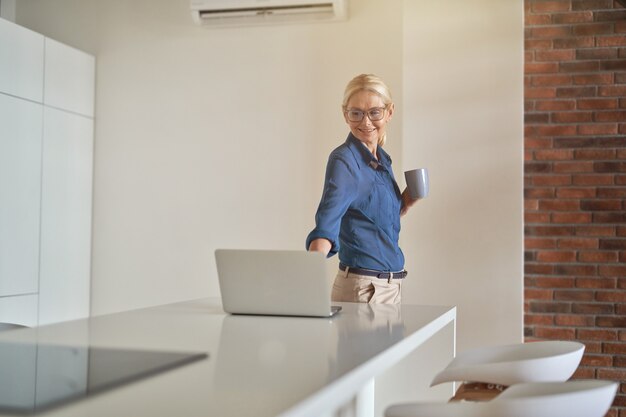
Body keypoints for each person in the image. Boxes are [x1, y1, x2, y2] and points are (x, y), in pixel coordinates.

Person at [306, 73, 419, 304]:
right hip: (365, 290)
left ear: (389, 112)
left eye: (374, 112)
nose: (365, 122)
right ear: (345, 114)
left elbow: (372, 219)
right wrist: (307, 282)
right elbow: (327, 222)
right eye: (356, 113)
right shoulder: (345, 161)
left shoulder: (382, 161)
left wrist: (406, 200)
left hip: (388, 287)